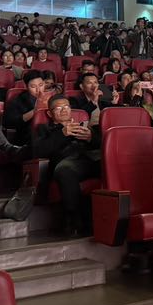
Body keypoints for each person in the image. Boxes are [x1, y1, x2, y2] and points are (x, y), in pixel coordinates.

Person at [31, 95, 101, 235]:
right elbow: (38, 150)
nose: (64, 110)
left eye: (67, 107)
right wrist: (63, 134)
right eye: (58, 108)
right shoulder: (44, 129)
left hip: (90, 159)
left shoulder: (83, 125)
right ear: (50, 113)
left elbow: (101, 144)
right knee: (65, 170)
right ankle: (73, 218)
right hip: (67, 162)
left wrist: (91, 137)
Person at [4, 70, 47, 146]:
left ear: (44, 83)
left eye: (41, 85)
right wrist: (34, 111)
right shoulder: (18, 100)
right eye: (33, 86)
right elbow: (9, 122)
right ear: (26, 86)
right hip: (27, 136)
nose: (38, 90)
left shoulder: (52, 98)